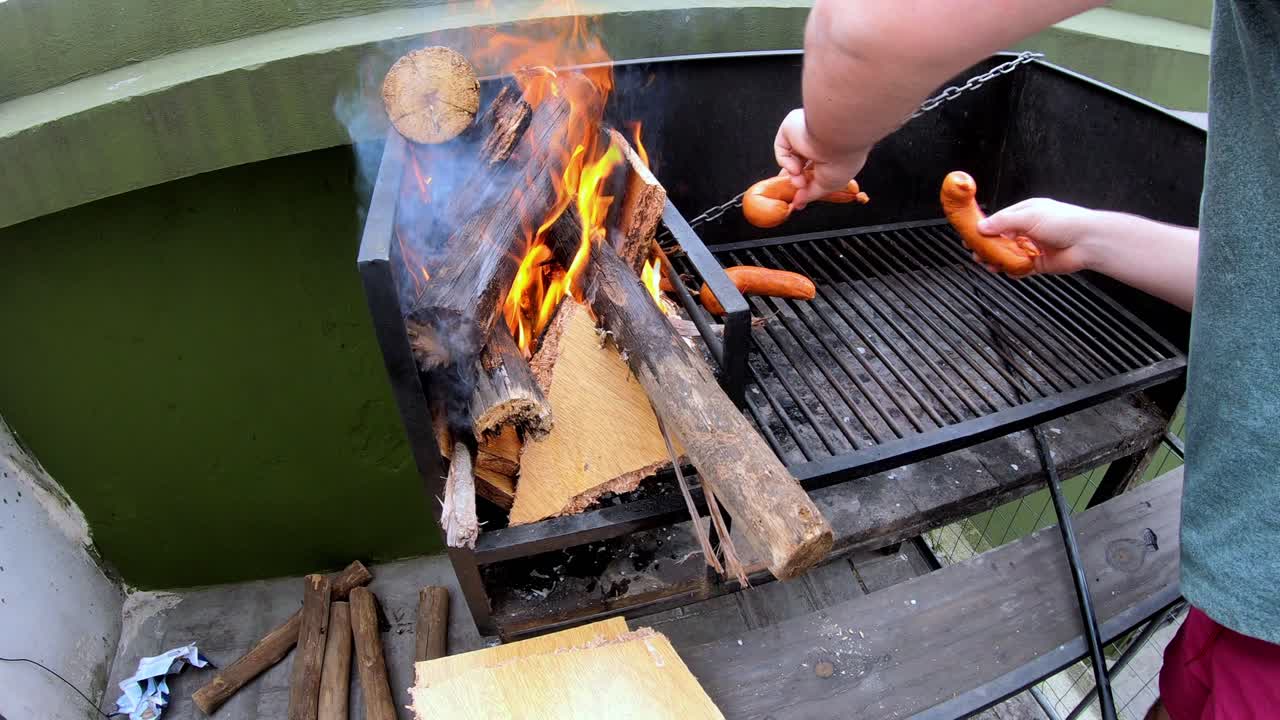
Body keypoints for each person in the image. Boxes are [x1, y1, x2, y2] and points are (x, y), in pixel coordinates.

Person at [772, 1, 1280, 718]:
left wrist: (830, 142)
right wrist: (1096, 239)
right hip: (1242, 589)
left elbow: (867, 27)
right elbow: (1261, 287)